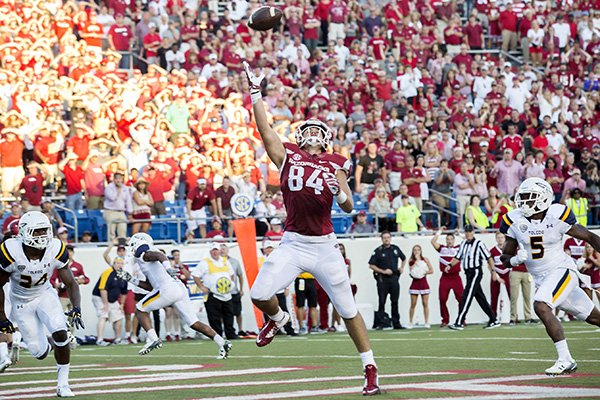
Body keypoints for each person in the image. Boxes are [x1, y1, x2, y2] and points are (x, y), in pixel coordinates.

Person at [244, 62, 380, 395]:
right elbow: (265, 132)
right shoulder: (288, 155)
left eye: (320, 129)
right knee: (259, 294)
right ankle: (279, 319)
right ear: (301, 135)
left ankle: (370, 367)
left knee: (348, 311)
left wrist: (339, 192)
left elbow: (349, 206)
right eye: (310, 128)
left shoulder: (336, 162)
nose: (314, 132)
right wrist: (256, 94)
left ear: (328, 138)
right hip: (292, 242)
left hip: (324, 245)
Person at [500, 177, 600, 375]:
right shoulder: (514, 219)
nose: (524, 202)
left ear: (543, 198)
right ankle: (566, 359)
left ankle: (565, 359)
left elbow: (589, 236)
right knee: (595, 317)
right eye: (522, 197)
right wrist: (514, 260)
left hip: (562, 271)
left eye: (530, 197)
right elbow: (505, 256)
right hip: (542, 279)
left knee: (541, 305)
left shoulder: (557, 215)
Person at [0, 211, 83, 397]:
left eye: (44, 230)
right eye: (36, 231)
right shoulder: (10, 250)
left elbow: (70, 282)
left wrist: (77, 307)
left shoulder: (56, 247)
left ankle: (63, 384)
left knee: (60, 331)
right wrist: (2, 317)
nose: (42, 235)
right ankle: (51, 342)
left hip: (45, 295)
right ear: (24, 232)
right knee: (40, 353)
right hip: (21, 303)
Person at [118, 233, 232, 359]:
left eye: (133, 245)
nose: (132, 248)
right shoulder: (146, 259)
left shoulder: (144, 253)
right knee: (194, 323)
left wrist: (167, 267)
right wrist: (131, 280)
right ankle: (222, 342)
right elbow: (150, 287)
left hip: (167, 289)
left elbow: (159, 255)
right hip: (178, 288)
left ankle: (153, 339)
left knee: (140, 309)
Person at [448, 224, 502, 330]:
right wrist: (449, 265)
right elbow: (457, 257)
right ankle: (494, 319)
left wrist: (493, 272)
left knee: (466, 296)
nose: (468, 234)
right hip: (468, 273)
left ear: (473, 232)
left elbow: (489, 257)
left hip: (476, 272)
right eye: (466, 232)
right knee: (480, 298)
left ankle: (459, 321)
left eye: (470, 232)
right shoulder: (463, 243)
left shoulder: (479, 244)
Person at [191, 243, 238, 340]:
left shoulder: (225, 261)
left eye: (216, 250)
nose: (215, 252)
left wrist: (230, 284)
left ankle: (231, 334)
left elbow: (232, 274)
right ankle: (217, 336)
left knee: (228, 315)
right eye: (213, 250)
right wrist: (201, 287)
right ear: (210, 252)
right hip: (213, 294)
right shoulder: (205, 262)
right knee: (214, 317)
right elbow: (195, 275)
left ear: (220, 251)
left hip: (226, 294)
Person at [368, 231, 406, 330]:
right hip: (382, 279)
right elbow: (371, 265)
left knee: (395, 301)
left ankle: (396, 323)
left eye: (388, 237)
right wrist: (383, 271)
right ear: (381, 239)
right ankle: (381, 323)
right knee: (382, 301)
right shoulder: (378, 251)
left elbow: (404, 258)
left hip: (394, 278)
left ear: (390, 238)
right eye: (384, 238)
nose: (386, 239)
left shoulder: (395, 249)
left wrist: (401, 268)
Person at [50, 245, 90, 338]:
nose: (70, 253)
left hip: (73, 297)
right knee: (59, 317)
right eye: (68, 251)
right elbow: (52, 280)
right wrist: (57, 285)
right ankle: (60, 337)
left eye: (71, 251)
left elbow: (86, 279)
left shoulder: (78, 266)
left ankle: (71, 337)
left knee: (73, 317)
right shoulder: (59, 265)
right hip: (62, 296)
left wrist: (81, 281)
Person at [91, 257, 128, 346]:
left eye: (121, 263)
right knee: (103, 315)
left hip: (113, 299)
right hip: (100, 297)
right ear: (114, 264)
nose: (119, 265)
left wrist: (122, 304)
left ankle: (118, 339)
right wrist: (105, 303)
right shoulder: (107, 272)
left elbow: (124, 292)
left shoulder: (124, 275)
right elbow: (102, 289)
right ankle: (99, 339)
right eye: (117, 263)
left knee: (118, 317)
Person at [431, 228, 463, 328]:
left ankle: (461, 319)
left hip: (456, 277)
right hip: (445, 278)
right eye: (448, 239)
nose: (449, 241)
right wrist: (440, 231)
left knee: (461, 299)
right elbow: (433, 241)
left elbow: (468, 242)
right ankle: (445, 319)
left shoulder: (458, 248)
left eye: (451, 239)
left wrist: (459, 234)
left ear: (454, 240)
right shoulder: (442, 249)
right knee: (443, 298)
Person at [220, 243, 245, 336]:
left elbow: (240, 275)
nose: (222, 250)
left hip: (234, 291)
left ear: (227, 250)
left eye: (224, 249)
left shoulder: (234, 261)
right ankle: (223, 331)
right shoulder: (217, 262)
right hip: (222, 292)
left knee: (238, 312)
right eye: (221, 249)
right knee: (223, 313)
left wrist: (241, 289)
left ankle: (240, 329)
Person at [407, 245, 434, 329]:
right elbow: (411, 270)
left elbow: (431, 270)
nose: (417, 252)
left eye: (418, 250)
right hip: (415, 284)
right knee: (413, 304)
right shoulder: (411, 260)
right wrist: (416, 261)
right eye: (415, 250)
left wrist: (424, 272)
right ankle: (410, 322)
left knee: (425, 303)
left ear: (421, 251)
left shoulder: (425, 259)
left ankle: (426, 322)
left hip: (424, 283)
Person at [103, 172, 133, 241]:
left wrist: (130, 213)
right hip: (110, 211)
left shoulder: (125, 188)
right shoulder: (109, 187)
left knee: (122, 229)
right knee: (111, 231)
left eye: (120, 179)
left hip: (121, 212)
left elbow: (128, 201)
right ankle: (111, 244)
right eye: (117, 179)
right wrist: (118, 190)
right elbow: (112, 198)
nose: (118, 180)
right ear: (114, 179)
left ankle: (121, 245)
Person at [489, 232, 511, 320]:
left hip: (508, 273)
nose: (500, 239)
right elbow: (490, 264)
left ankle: (514, 316)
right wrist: (496, 276)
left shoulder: (509, 249)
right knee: (494, 297)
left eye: (502, 237)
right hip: (497, 274)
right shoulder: (492, 250)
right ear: (496, 239)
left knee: (512, 296)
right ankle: (493, 317)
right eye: (498, 237)